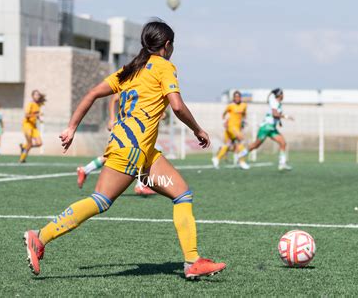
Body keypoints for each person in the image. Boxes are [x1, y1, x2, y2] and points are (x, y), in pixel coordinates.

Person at [23, 20, 226, 279]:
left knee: (182, 194)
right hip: (131, 149)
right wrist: (197, 129)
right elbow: (177, 106)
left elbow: (92, 93)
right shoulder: (164, 67)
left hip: (143, 152)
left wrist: (72, 127)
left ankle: (192, 261)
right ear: (167, 45)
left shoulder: (131, 69)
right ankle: (39, 237)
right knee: (101, 201)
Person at [77, 94, 158, 195]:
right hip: (126, 127)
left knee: (115, 155)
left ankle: (85, 170)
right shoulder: (133, 83)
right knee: (139, 152)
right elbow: (114, 99)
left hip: (133, 127)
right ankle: (140, 185)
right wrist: (111, 119)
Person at [239, 88, 293, 170]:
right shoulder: (274, 102)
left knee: (283, 143)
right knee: (255, 145)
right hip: (266, 127)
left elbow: (276, 115)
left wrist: (279, 122)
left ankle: (282, 164)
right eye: (282, 94)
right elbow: (275, 114)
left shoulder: (278, 103)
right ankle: (241, 154)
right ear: (279, 95)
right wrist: (286, 117)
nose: (283, 95)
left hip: (272, 128)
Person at [212, 91, 249, 169]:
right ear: (233, 98)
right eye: (235, 97)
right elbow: (223, 114)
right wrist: (224, 121)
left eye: (238, 97)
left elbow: (244, 115)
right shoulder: (230, 106)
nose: (237, 98)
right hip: (230, 127)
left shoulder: (244, 105)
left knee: (228, 145)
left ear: (240, 97)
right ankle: (241, 160)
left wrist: (244, 122)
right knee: (241, 140)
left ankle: (216, 158)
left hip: (238, 128)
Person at [19, 90, 46, 163]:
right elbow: (26, 115)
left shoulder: (38, 105)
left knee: (39, 143)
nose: (37, 96)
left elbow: (36, 115)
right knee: (30, 143)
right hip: (27, 125)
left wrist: (39, 119)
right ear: (32, 96)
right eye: (36, 95)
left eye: (38, 95)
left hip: (34, 126)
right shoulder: (30, 104)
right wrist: (37, 115)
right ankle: (22, 159)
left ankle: (24, 147)